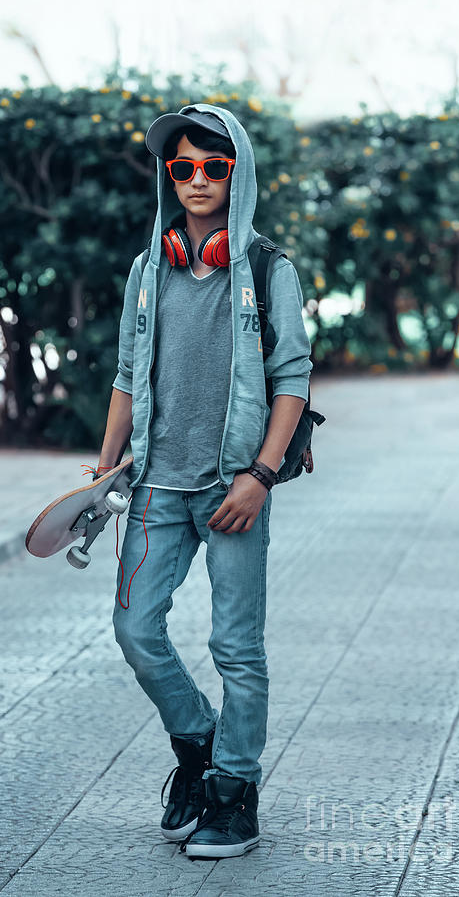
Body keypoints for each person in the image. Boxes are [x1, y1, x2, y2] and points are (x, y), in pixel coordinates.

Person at [94, 103, 313, 859]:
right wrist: (105, 463)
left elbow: (292, 379)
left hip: (232, 487)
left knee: (236, 649)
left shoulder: (265, 268)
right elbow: (128, 372)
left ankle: (233, 793)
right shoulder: (146, 270)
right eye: (180, 167)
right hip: (154, 484)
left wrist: (260, 475)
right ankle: (199, 749)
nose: (194, 180)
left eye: (212, 168)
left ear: (237, 173)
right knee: (135, 629)